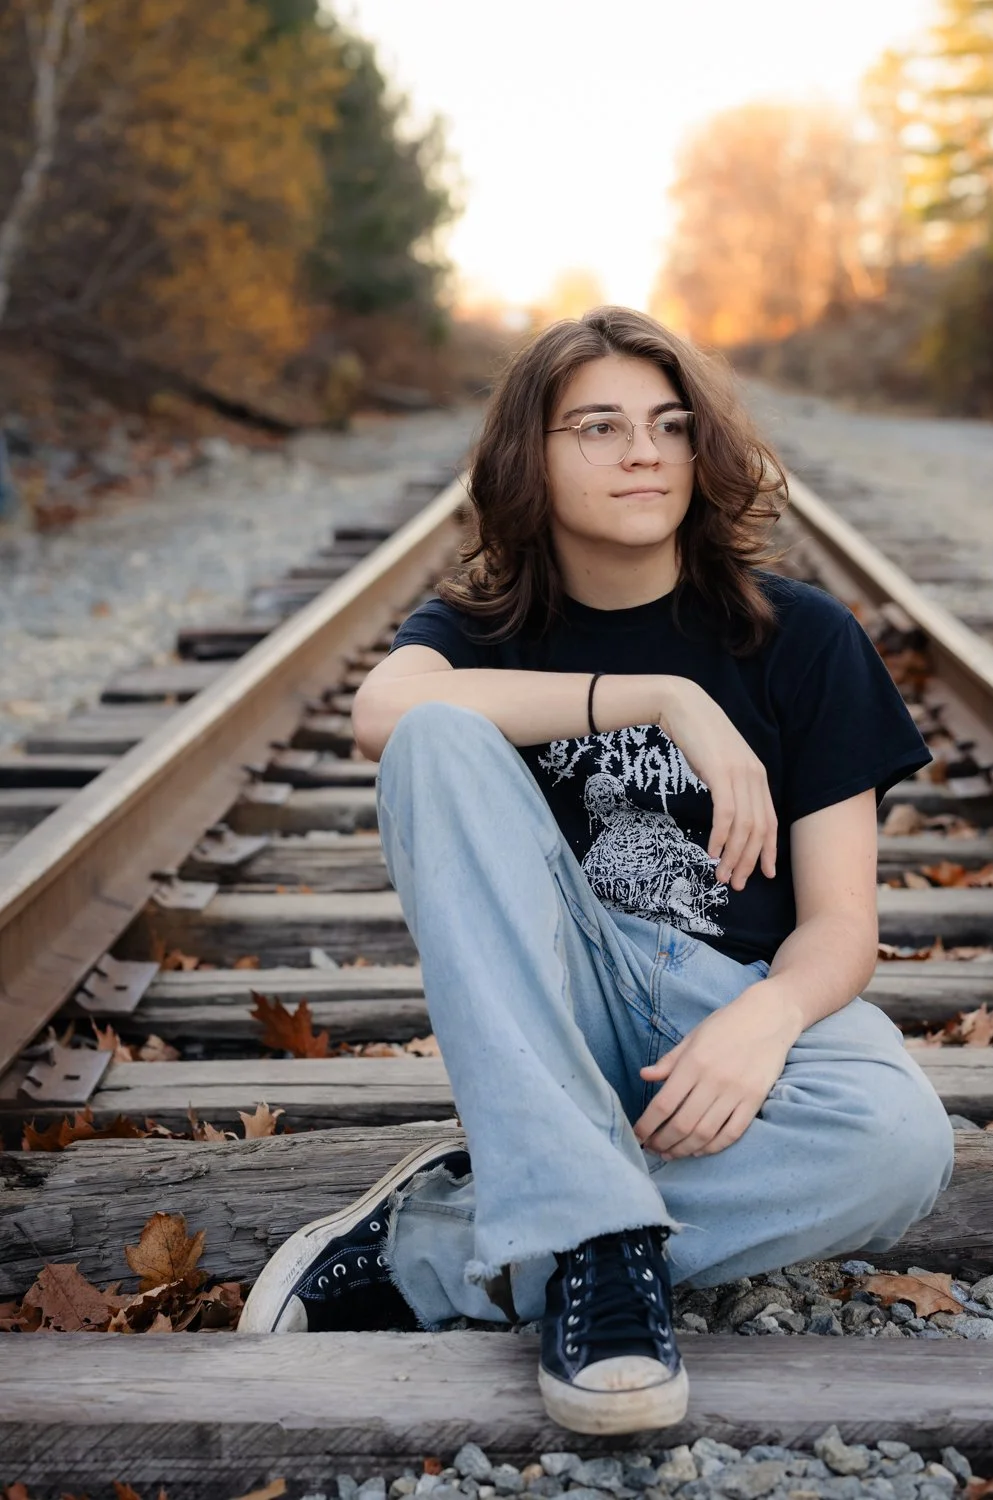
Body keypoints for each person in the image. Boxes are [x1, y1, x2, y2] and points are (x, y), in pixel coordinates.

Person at [239, 306, 955, 1435]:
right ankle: (599, 1246)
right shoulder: (483, 631)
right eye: (600, 427)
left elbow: (843, 927)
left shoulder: (803, 637)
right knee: (436, 734)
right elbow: (382, 713)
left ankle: (452, 1246)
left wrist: (767, 1017)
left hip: (724, 1012)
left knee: (903, 1145)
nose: (643, 453)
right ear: (532, 458)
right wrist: (657, 698)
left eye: (671, 426)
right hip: (565, 1002)